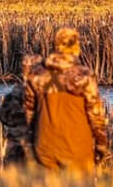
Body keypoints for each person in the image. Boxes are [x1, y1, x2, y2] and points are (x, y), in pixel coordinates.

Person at [22, 28, 107, 172]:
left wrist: (31, 144)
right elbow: (96, 115)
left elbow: (28, 114)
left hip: (45, 148)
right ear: (76, 47)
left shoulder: (37, 76)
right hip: (77, 149)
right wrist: (101, 145)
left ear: (56, 46)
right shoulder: (84, 77)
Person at [0, 53, 41, 165]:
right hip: (39, 145)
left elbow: (2, 117)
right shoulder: (47, 93)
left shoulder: (15, 92)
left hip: (16, 144)